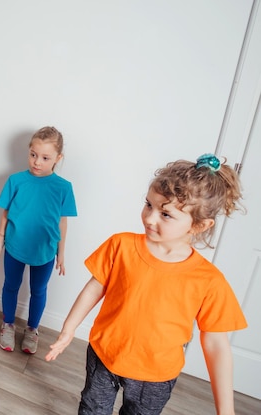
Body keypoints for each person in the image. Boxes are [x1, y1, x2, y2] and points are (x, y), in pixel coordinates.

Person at [45, 154, 247, 415]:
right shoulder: (121, 245)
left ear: (199, 225)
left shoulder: (209, 280)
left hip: (155, 377)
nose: (150, 218)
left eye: (166, 214)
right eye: (148, 205)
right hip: (104, 357)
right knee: (92, 409)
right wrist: (68, 329)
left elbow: (216, 345)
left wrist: (226, 410)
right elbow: (95, 287)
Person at [0, 126, 77, 354]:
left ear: (58, 158)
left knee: (38, 290)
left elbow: (62, 222)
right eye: (33, 155)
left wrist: (61, 252)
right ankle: (8, 323)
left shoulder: (63, 188)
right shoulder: (15, 180)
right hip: (15, 246)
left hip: (45, 251)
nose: (37, 162)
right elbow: (6, 213)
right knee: (11, 285)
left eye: (45, 157)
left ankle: (32, 329)